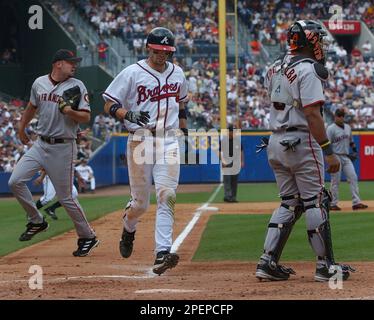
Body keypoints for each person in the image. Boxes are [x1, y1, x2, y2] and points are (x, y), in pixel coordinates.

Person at [255, 20, 355, 282]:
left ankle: (267, 262)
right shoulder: (308, 70)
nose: (321, 44)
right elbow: (312, 112)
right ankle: (325, 267)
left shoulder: (275, 66)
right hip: (302, 140)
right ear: (309, 40)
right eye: (318, 39)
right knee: (315, 201)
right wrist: (328, 150)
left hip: (276, 140)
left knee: (289, 202)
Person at [102, 27, 188, 275]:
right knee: (141, 204)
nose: (163, 55)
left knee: (167, 194)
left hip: (168, 140)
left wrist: (184, 130)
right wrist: (126, 113)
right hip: (140, 140)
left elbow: (181, 103)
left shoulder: (177, 72)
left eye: (167, 51)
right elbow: (108, 102)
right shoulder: (132, 73)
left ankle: (162, 252)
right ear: (149, 48)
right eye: (158, 50)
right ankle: (129, 227)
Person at [8, 49, 99, 257]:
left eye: (75, 62)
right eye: (70, 62)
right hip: (40, 144)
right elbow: (31, 107)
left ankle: (88, 236)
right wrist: (21, 128)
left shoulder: (77, 85)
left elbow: (85, 117)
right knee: (15, 181)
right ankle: (36, 220)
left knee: (66, 197)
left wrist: (69, 111)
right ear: (58, 64)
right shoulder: (39, 83)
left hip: (64, 146)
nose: (74, 65)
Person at [327, 109, 368, 211]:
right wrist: (329, 157)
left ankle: (356, 202)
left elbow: (351, 141)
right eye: (339, 115)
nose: (340, 117)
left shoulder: (348, 127)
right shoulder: (331, 129)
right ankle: (333, 203)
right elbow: (327, 144)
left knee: (353, 177)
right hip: (335, 156)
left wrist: (354, 150)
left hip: (346, 156)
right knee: (335, 181)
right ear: (335, 116)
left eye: (342, 116)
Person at [221, 125, 244, 203]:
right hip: (226, 162)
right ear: (229, 131)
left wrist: (242, 161)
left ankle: (233, 197)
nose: (233, 132)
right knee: (227, 180)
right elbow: (220, 152)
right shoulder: (224, 140)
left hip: (236, 162)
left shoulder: (237, 140)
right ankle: (227, 196)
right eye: (232, 131)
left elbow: (241, 151)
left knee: (234, 181)